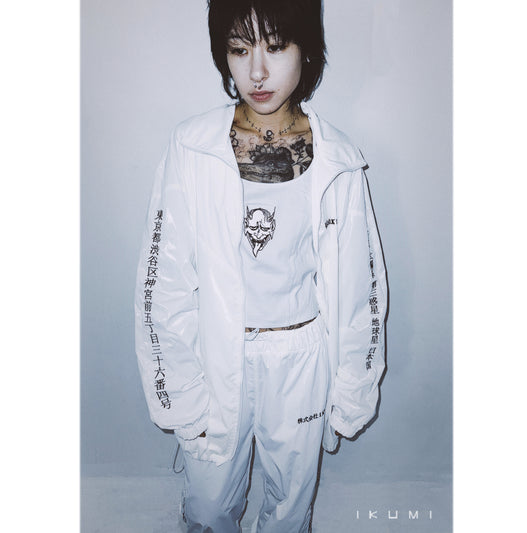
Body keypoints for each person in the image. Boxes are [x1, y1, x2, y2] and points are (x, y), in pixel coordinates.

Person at [135, 0, 387, 531]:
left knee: (289, 510)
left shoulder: (339, 159)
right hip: (216, 353)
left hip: (300, 358)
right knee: (208, 507)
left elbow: (359, 286)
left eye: (275, 47)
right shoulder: (193, 148)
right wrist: (177, 387)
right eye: (239, 49)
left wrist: (353, 388)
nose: (256, 71)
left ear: (306, 49)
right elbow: (164, 279)